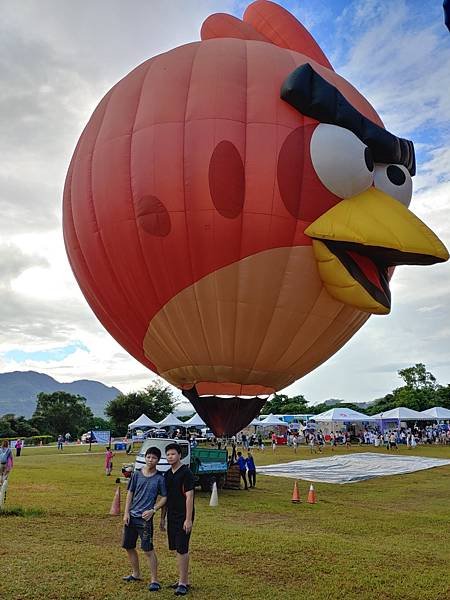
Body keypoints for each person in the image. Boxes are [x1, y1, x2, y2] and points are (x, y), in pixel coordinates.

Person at [122, 446, 167, 591]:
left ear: (158, 460)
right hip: (132, 517)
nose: (150, 460)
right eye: (148, 457)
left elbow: (165, 497)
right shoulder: (136, 474)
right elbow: (130, 493)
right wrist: (126, 512)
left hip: (145, 520)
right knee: (129, 546)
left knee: (148, 550)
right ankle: (136, 574)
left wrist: (154, 510)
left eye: (154, 458)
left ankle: (155, 580)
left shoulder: (160, 478)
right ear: (145, 457)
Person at [160, 443, 195, 596]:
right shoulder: (167, 475)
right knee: (177, 548)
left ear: (180, 455)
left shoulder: (186, 473)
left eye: (173, 454)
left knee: (182, 548)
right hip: (171, 515)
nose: (170, 457)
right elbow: (165, 498)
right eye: (168, 455)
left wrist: (188, 519)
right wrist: (162, 519)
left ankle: (183, 583)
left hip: (183, 516)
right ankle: (183, 579)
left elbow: (189, 496)